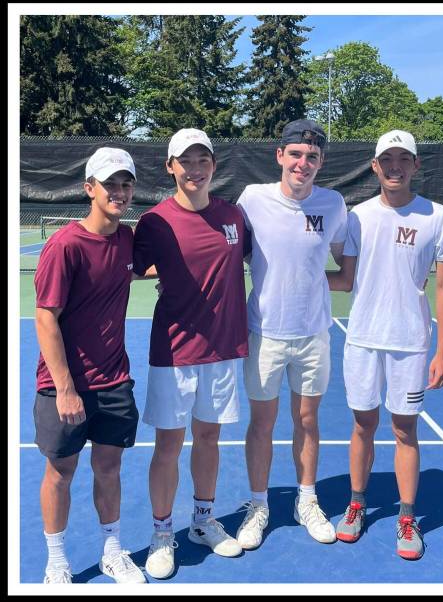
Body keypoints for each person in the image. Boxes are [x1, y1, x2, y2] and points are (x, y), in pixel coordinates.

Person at [327, 130, 443, 560]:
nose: (395, 166)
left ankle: (406, 516)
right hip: (363, 340)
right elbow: (345, 278)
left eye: (404, 158)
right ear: (375, 166)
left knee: (405, 429)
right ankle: (357, 504)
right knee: (362, 425)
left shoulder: (437, 216)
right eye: (388, 159)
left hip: (411, 344)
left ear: (416, 165)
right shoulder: (357, 217)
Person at [133, 129, 248, 579]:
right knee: (168, 445)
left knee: (209, 438)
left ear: (214, 165)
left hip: (222, 350)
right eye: (186, 161)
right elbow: (128, 268)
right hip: (174, 351)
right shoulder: (154, 222)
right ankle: (163, 534)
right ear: (170, 167)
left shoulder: (234, 216)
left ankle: (202, 520)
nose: (195, 169)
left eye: (203, 160)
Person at [234, 119, 348, 550]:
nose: (303, 163)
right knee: (262, 424)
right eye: (296, 154)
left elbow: (346, 271)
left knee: (307, 420)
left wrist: (313, 283)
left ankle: (307, 500)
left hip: (314, 334)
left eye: (312, 156)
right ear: (280, 155)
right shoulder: (252, 199)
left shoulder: (334, 204)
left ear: (321, 162)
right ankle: (259, 504)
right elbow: (231, 253)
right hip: (264, 333)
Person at [32, 148, 144, 585]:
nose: (119, 192)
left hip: (114, 381)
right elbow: (46, 318)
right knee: (60, 472)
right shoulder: (65, 245)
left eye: (126, 184)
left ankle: (112, 552)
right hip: (63, 386)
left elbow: (143, 268)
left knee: (109, 468)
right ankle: (56, 561)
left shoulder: (126, 239)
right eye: (110, 184)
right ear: (89, 189)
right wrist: (65, 389)